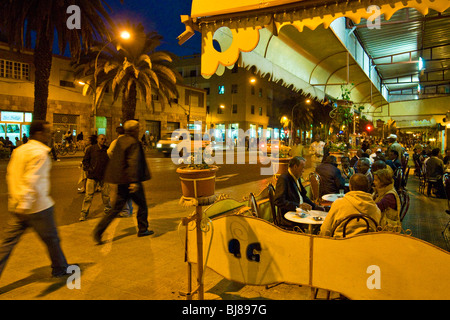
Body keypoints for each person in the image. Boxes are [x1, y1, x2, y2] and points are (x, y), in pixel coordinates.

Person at [0, 120, 73, 278]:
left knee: (7, 244)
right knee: (52, 239)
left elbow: (11, 175)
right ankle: (60, 268)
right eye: (48, 131)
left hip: (18, 205)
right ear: (39, 133)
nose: (50, 134)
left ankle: (60, 266)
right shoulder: (39, 153)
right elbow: (32, 180)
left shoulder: (20, 151)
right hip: (37, 207)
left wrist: (18, 202)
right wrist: (25, 204)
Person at [93, 120, 153, 244]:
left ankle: (99, 230)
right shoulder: (133, 142)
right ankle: (143, 229)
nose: (139, 129)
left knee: (116, 209)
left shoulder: (121, 140)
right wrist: (134, 182)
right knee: (142, 205)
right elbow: (133, 162)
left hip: (122, 180)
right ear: (134, 130)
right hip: (132, 181)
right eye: (138, 128)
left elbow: (118, 160)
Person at [319, 173, 381, 238]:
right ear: (368, 188)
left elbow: (325, 230)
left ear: (350, 187)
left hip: (340, 245)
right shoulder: (376, 209)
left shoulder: (339, 204)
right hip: (365, 246)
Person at [79, 134, 111, 221]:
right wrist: (89, 169)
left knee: (106, 195)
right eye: (101, 139)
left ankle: (108, 209)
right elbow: (85, 161)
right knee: (88, 196)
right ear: (97, 139)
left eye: (104, 139)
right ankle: (84, 213)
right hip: (92, 176)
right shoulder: (91, 149)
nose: (103, 140)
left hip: (104, 176)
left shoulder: (106, 149)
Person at [107, 126, 133, 218]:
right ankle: (129, 209)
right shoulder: (129, 141)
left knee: (119, 191)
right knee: (127, 189)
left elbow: (109, 151)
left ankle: (124, 211)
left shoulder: (116, 141)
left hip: (120, 169)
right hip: (128, 169)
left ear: (117, 133)